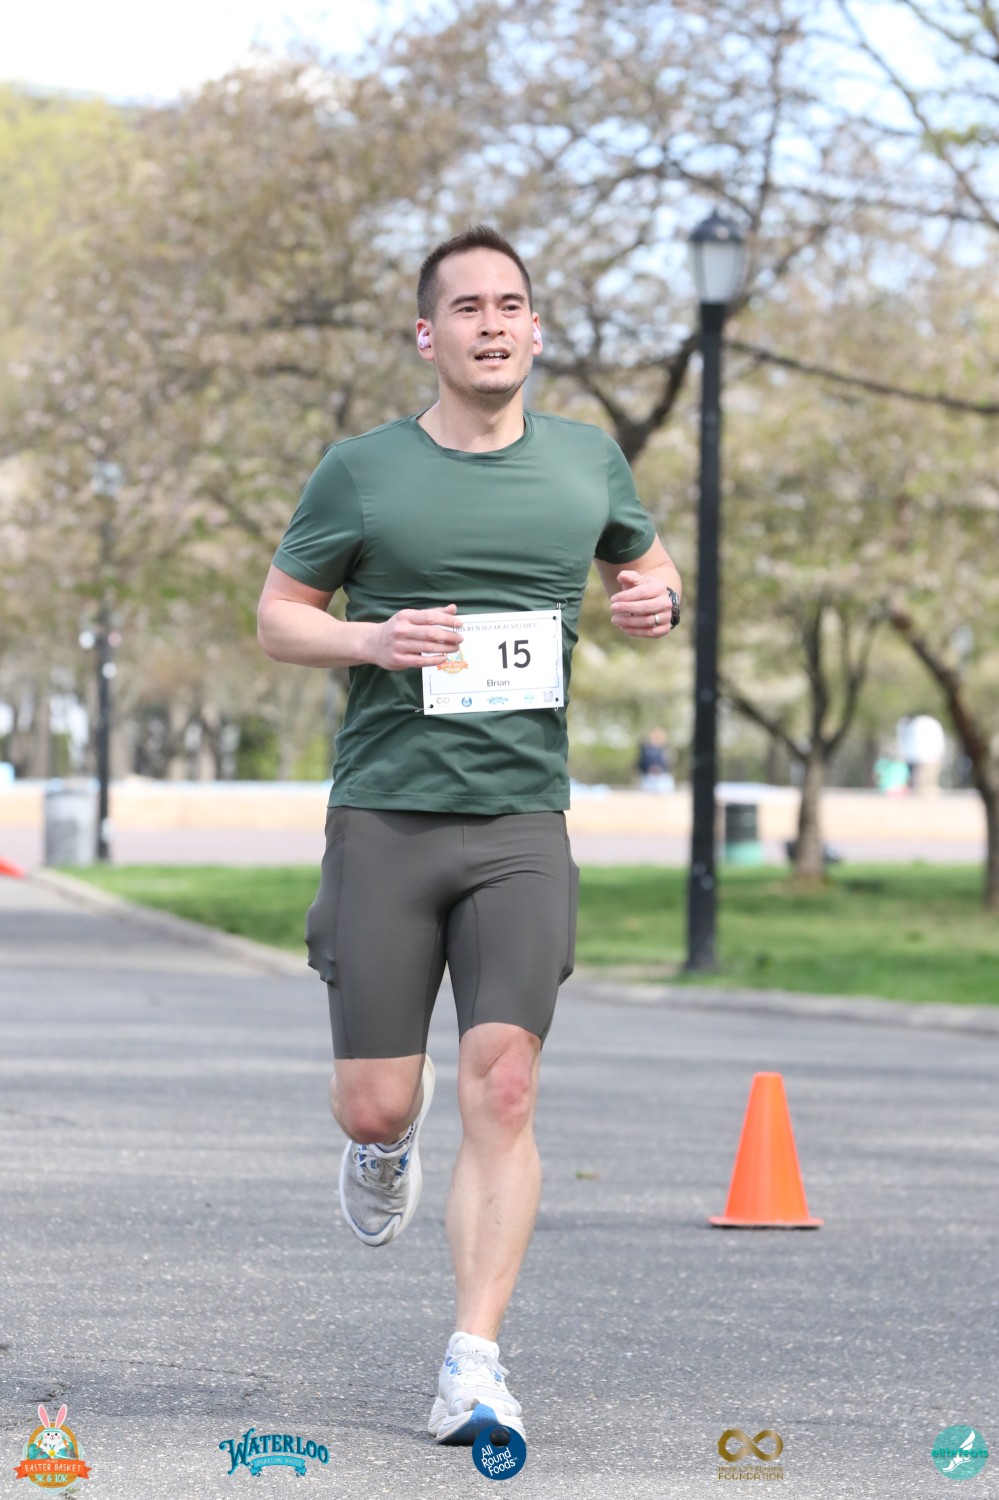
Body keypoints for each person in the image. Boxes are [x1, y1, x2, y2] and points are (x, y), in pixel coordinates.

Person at [256, 224, 681, 1450]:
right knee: (374, 1104)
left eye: (510, 305)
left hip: (521, 821)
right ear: (426, 335)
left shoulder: (587, 462)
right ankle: (385, 1145)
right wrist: (372, 639)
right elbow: (280, 617)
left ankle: (473, 1361)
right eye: (466, 308)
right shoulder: (362, 473)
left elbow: (646, 570)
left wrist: (654, 600)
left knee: (507, 1082)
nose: (492, 325)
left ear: (536, 330)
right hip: (387, 817)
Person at [636, 726, 674, 792]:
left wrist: (659, 769)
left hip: (662, 777)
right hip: (648, 777)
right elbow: (641, 762)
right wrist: (649, 769)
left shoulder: (666, 748)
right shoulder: (645, 748)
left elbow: (669, 763)